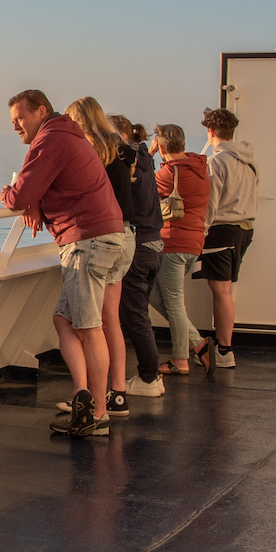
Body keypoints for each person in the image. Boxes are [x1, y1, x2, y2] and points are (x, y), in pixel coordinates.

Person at [0, 90, 130, 435]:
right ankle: (83, 397)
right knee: (64, 319)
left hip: (86, 240)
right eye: (12, 121)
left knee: (89, 328)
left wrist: (11, 195)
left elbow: (19, 195)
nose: (16, 126)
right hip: (107, 235)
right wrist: (37, 198)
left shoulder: (51, 139)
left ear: (41, 111)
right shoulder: (67, 134)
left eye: (20, 118)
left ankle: (97, 414)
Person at [108, 113, 166, 396]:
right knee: (138, 314)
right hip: (155, 243)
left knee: (134, 315)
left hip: (139, 245)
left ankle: (148, 377)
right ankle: (150, 375)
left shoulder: (126, 165)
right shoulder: (144, 159)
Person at [199, 107, 258, 369]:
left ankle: (224, 350)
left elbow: (211, 202)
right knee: (225, 290)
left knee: (221, 291)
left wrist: (201, 231)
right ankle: (225, 346)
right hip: (245, 229)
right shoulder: (249, 161)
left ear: (210, 132)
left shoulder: (217, 161)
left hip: (222, 230)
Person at [152, 123, 211, 375]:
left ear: (162, 146)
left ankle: (180, 359)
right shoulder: (201, 170)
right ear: (184, 144)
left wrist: (149, 153)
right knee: (153, 294)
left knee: (174, 303)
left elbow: (140, 190)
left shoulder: (167, 175)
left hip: (172, 243)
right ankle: (198, 344)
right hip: (194, 244)